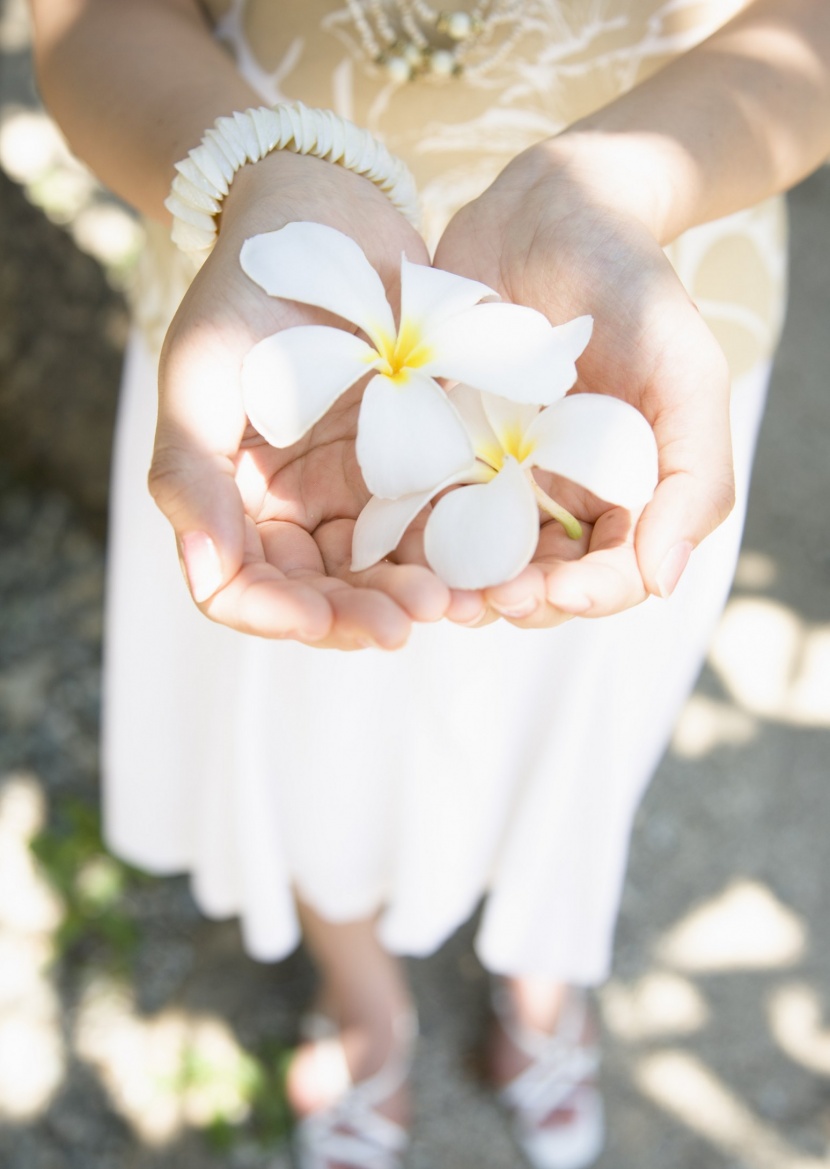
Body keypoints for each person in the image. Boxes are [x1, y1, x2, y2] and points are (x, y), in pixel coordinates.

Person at [28, 2, 830, 1167]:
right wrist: (258, 172)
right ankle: (364, 997)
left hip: (621, 305)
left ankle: (544, 963)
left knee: (583, 676)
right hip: (282, 320)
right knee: (315, 689)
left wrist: (619, 185)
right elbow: (92, 22)